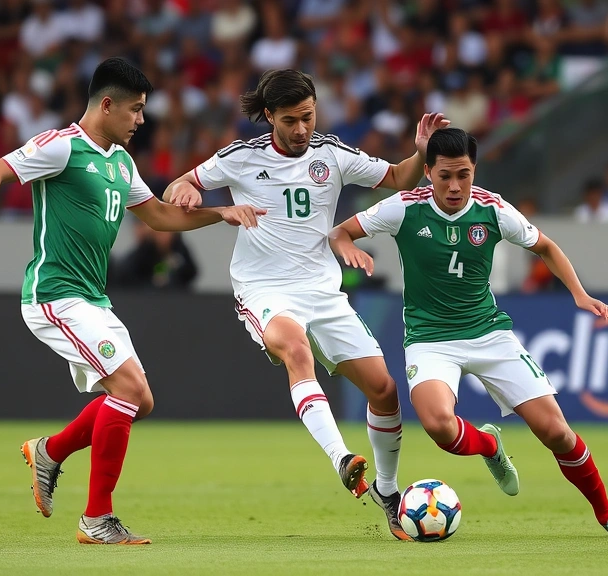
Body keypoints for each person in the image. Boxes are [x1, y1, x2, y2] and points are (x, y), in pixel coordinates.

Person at [0, 57, 264, 545]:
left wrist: (222, 213)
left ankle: (51, 451)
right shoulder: (62, 146)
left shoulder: (121, 162)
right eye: (135, 110)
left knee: (141, 400)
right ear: (107, 105)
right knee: (129, 391)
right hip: (55, 296)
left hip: (93, 300)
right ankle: (97, 519)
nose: (141, 120)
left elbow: (159, 216)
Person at [166, 69, 449, 540]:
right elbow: (179, 186)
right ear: (270, 116)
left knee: (384, 390)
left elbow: (399, 177)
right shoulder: (240, 157)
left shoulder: (332, 154)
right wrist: (187, 189)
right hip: (264, 288)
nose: (302, 129)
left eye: (309, 117)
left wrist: (420, 153)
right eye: (291, 120)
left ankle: (386, 489)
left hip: (322, 291)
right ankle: (341, 457)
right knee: (296, 351)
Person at [329, 127, 608, 539]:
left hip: (489, 334)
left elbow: (546, 247)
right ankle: (490, 446)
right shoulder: (404, 208)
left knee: (556, 432)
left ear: (474, 171)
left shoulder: (493, 209)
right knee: (440, 426)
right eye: (445, 176)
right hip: (430, 340)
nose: (455, 186)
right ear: (428, 172)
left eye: (463, 175)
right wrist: (347, 246)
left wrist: (579, 294)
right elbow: (340, 231)